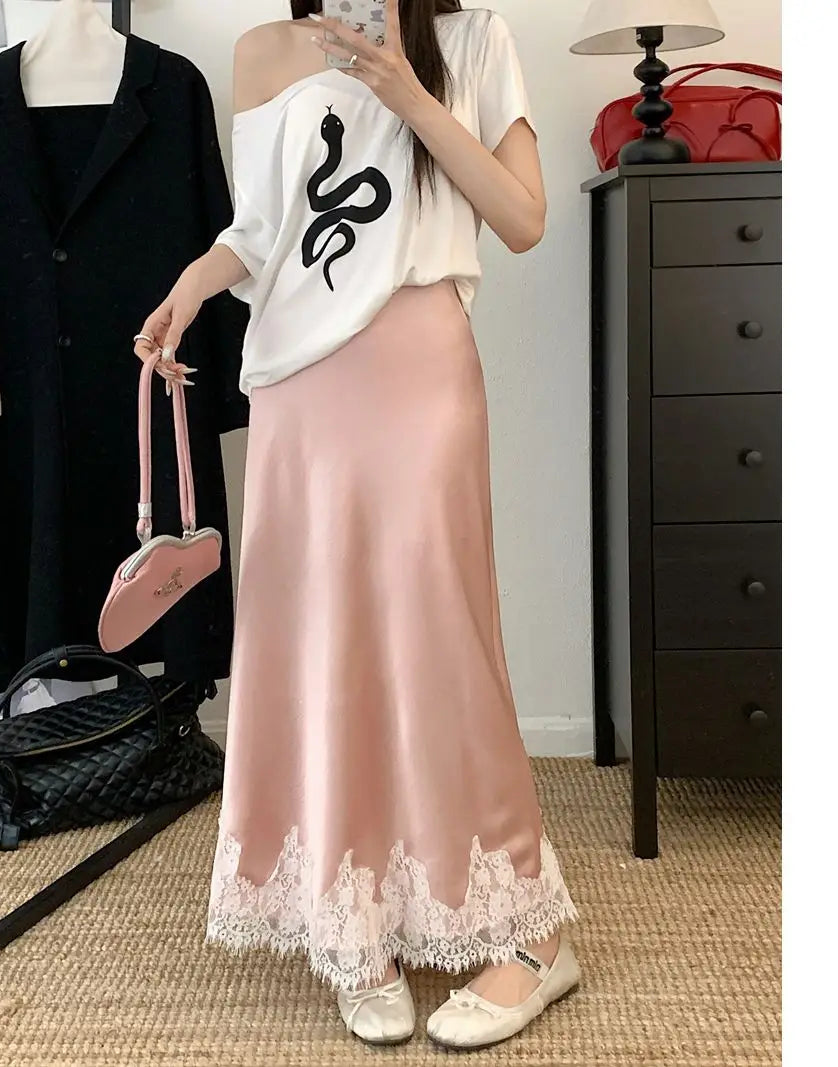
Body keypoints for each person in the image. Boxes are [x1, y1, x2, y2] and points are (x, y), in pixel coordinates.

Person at [135, 1, 580, 1050]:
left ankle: (534, 934)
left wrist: (406, 95)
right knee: (322, 649)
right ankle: (355, 919)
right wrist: (190, 288)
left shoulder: (470, 40)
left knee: (442, 641)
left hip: (419, 366)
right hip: (298, 385)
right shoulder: (263, 51)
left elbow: (521, 218)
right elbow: (261, 231)